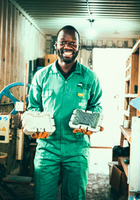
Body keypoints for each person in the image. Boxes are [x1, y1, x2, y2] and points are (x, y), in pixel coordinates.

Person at [28, 25, 102, 199]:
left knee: (74, 196)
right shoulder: (42, 76)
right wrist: (35, 125)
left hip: (77, 148)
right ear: (55, 45)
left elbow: (96, 106)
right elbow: (33, 107)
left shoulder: (89, 77)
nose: (67, 46)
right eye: (63, 42)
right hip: (47, 148)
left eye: (72, 43)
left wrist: (90, 123)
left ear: (79, 46)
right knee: (42, 196)